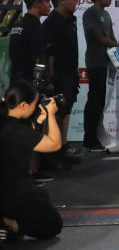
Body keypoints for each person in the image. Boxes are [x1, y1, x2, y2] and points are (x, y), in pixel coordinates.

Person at [0, 81, 63, 241]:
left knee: (40, 195)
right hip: (13, 192)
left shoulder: (7, 122)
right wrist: (51, 115)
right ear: (22, 105)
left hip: (7, 189)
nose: (36, 107)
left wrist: (39, 121)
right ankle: (10, 225)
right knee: (53, 224)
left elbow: (24, 139)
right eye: (34, 104)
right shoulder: (18, 131)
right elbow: (54, 144)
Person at [41, 0, 80, 159]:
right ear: (62, 0)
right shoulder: (52, 22)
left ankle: (62, 147)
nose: (76, 1)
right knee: (56, 113)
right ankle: (53, 152)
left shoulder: (71, 19)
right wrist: (50, 76)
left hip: (71, 73)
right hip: (58, 76)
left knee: (67, 110)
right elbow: (49, 51)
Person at [82, 0, 119, 152]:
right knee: (95, 101)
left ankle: (98, 134)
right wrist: (116, 45)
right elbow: (98, 37)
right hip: (95, 61)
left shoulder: (106, 15)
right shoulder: (90, 14)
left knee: (101, 101)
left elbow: (111, 38)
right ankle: (89, 139)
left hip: (107, 62)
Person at [8, 0, 51, 83]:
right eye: (47, 2)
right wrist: (46, 80)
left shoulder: (18, 24)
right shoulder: (35, 26)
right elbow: (39, 57)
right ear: (37, 3)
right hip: (29, 82)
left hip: (15, 78)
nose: (50, 5)